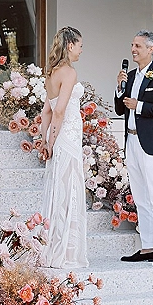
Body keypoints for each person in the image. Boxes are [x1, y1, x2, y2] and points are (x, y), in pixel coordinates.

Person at [115, 30, 153, 267]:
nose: (133, 49)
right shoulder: (129, 76)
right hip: (131, 142)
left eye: (138, 46)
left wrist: (139, 106)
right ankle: (149, 246)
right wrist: (119, 89)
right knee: (140, 196)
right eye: (132, 45)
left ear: (151, 49)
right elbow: (121, 110)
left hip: (151, 144)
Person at [39, 26, 89, 269]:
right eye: (79, 45)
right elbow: (58, 111)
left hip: (58, 136)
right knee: (68, 191)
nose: (81, 49)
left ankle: (54, 247)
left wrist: (45, 140)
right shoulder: (69, 72)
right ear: (70, 45)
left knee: (58, 189)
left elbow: (45, 112)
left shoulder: (51, 73)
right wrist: (52, 141)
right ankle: (65, 252)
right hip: (66, 136)